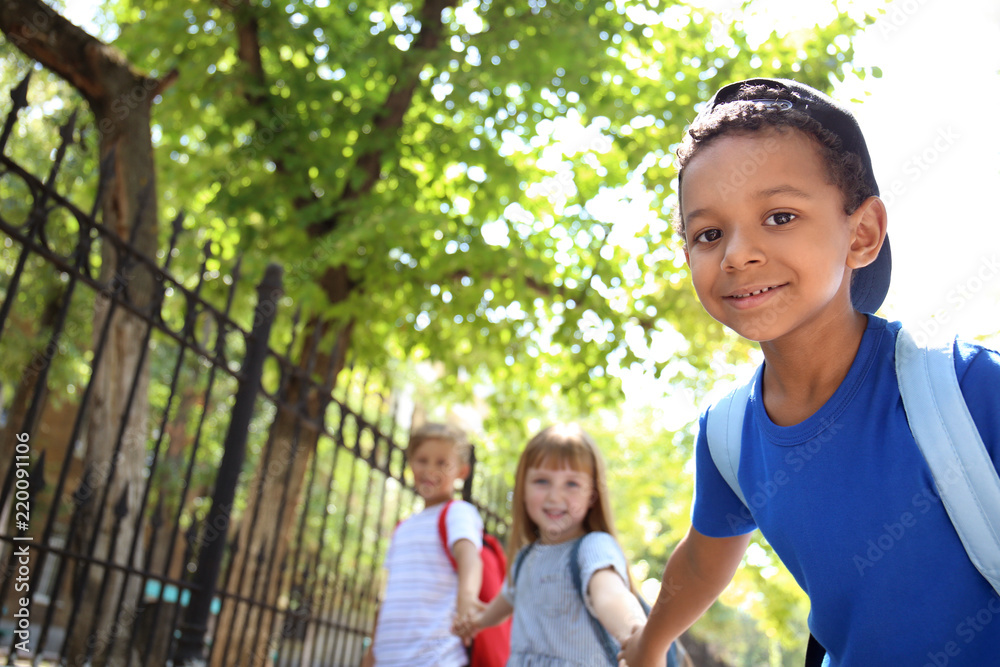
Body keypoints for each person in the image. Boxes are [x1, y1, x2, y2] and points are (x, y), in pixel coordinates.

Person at [618, 78, 1000, 666]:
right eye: (708, 233)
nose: (736, 254)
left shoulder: (968, 389)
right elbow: (700, 561)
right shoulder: (726, 437)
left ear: (862, 232)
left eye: (779, 216)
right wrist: (647, 646)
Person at [453, 423, 654, 666]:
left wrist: (634, 632)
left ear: (592, 495)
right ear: (522, 490)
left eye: (572, 484)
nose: (555, 496)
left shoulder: (592, 547)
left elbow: (609, 594)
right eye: (541, 481)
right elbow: (499, 606)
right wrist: (474, 621)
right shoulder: (525, 558)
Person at [362, 422, 484, 667]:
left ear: (461, 471)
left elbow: (469, 558)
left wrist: (467, 600)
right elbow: (389, 595)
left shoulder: (457, 512)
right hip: (388, 657)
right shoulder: (402, 528)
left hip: (436, 658)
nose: (430, 470)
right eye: (422, 460)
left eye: (442, 463)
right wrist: (372, 650)